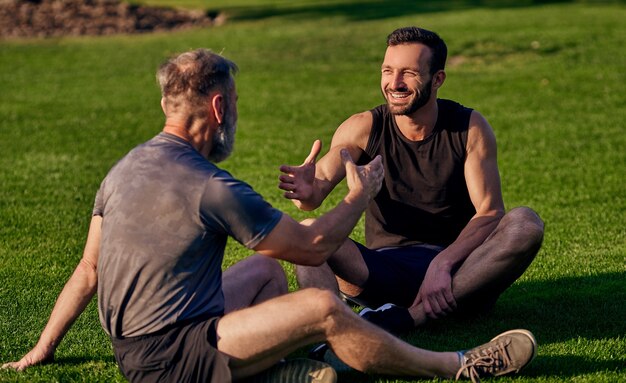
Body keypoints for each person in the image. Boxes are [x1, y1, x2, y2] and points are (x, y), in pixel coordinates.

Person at [3, 48, 538, 383]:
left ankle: (283, 370)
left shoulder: (123, 169)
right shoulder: (211, 185)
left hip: (137, 349)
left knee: (263, 271)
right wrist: (357, 195)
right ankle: (458, 365)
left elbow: (88, 269)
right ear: (218, 109)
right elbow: (309, 249)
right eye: (234, 102)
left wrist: (43, 350)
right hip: (176, 357)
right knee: (319, 306)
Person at [279, 26, 545, 334]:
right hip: (382, 270)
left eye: (409, 73)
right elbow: (315, 193)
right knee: (308, 232)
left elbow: (489, 213)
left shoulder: (469, 128)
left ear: (437, 80)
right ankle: (332, 332)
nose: (394, 83)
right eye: (387, 71)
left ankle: (408, 318)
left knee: (526, 224)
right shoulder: (364, 128)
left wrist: (441, 264)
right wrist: (305, 190)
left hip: (460, 273)